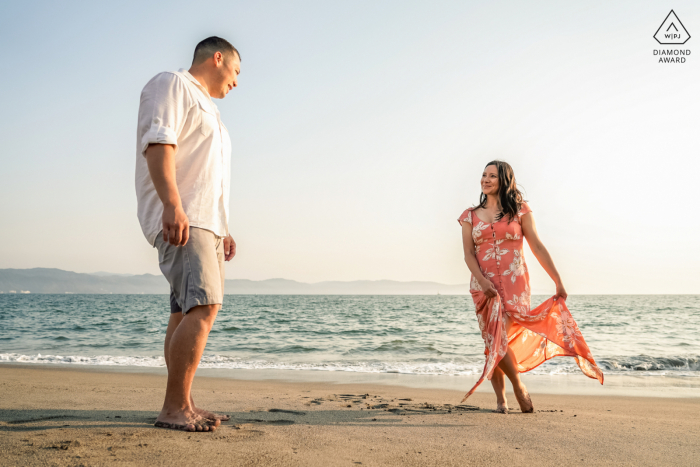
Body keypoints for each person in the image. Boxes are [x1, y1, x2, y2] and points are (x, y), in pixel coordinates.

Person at [135, 36, 241, 432]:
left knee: (183, 311)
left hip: (207, 222)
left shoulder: (212, 112)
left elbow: (210, 177)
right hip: (186, 217)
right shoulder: (173, 84)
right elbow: (158, 142)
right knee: (205, 307)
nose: (237, 80)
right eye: (236, 70)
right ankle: (174, 407)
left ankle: (186, 402)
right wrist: (172, 204)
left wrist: (224, 228)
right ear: (218, 59)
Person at [458, 160, 603, 413]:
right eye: (484, 175)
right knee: (493, 341)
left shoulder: (520, 210)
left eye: (492, 175)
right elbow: (469, 254)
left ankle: (516, 389)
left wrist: (557, 280)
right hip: (483, 286)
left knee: (499, 339)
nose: (486, 179)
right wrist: (482, 280)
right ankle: (505, 397)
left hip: (515, 283)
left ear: (504, 180)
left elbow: (536, 246)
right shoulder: (469, 216)